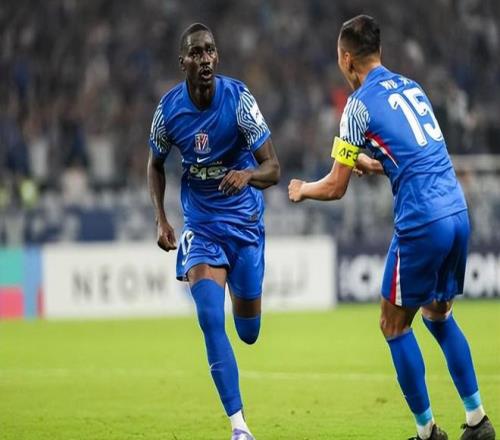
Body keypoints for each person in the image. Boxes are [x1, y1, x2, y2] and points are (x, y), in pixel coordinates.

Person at [288, 15, 495, 440]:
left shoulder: (357, 105)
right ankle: (478, 421)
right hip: (456, 210)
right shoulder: (412, 87)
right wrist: (375, 163)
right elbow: (419, 156)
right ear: (378, 52)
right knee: (439, 316)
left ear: (346, 59)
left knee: (393, 324)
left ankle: (426, 432)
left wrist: (302, 189)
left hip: (422, 219)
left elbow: (335, 187)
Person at [147, 23, 280, 440]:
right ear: (183, 61)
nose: (204, 59)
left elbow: (273, 168)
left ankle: (248, 294)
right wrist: (161, 217)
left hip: (244, 226)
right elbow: (154, 164)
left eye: (209, 51)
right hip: (202, 226)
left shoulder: (239, 100)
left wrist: (248, 175)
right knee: (208, 317)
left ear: (216, 57)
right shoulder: (169, 111)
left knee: (249, 333)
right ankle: (239, 427)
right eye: (196, 53)